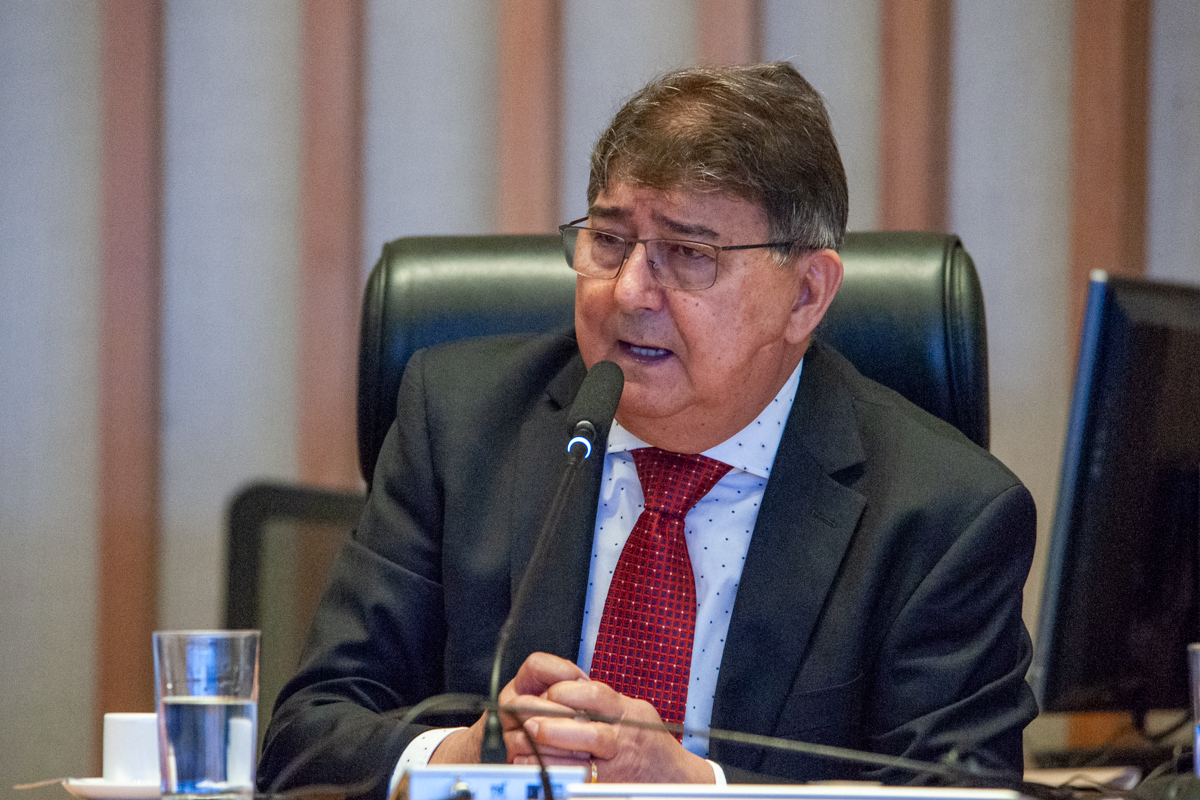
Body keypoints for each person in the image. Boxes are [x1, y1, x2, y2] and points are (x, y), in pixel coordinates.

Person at [258, 62, 1038, 797]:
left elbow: (957, 793)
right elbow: (305, 740)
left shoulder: (945, 516)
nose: (629, 291)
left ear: (807, 293)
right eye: (608, 241)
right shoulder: (459, 426)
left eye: (688, 254)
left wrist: (695, 789)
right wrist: (461, 758)